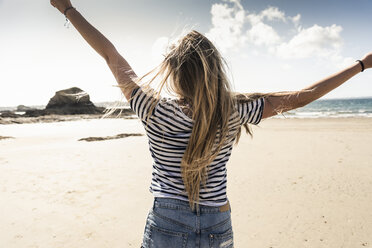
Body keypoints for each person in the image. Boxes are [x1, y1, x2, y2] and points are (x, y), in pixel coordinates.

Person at [50, 1, 371, 247]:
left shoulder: (151, 109)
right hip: (218, 225)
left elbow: (111, 55)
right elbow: (302, 96)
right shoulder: (231, 112)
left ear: (174, 73)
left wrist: (67, 8)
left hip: (166, 222)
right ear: (215, 70)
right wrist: (361, 65)